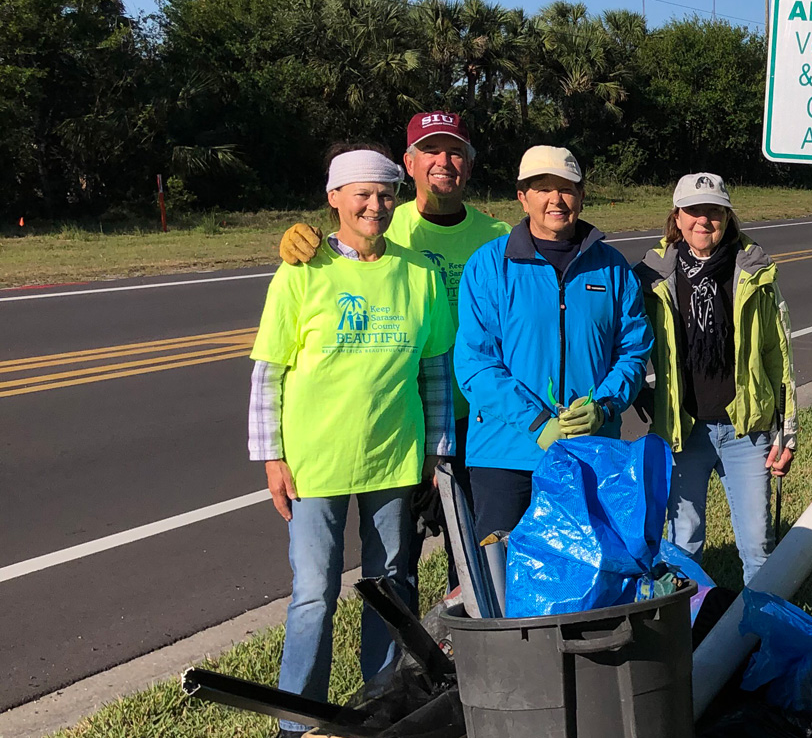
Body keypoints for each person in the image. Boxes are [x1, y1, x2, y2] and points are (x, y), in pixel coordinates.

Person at [247, 145, 456, 738]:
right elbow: (270, 372)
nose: (375, 205)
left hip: (394, 457)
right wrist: (272, 459)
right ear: (334, 198)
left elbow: (434, 368)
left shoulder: (419, 273)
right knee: (314, 591)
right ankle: (298, 721)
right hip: (315, 464)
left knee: (392, 587)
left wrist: (435, 452)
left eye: (385, 194)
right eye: (361, 194)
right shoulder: (302, 270)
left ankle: (379, 706)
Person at [277, 111, 511, 587]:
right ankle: (401, 657)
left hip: (481, 418)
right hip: (405, 425)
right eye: (430, 150)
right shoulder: (385, 224)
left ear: (470, 163)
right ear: (408, 162)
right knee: (395, 559)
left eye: (455, 151)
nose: (443, 161)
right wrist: (301, 239)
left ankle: (461, 650)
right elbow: (338, 253)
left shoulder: (499, 236)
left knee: (472, 554)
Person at [453, 145, 653, 538]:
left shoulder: (611, 267)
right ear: (522, 197)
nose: (555, 199)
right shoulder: (490, 265)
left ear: (581, 196)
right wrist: (537, 421)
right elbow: (476, 363)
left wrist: (605, 406)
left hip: (589, 450)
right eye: (542, 188)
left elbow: (633, 349)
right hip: (505, 453)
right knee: (504, 575)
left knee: (583, 574)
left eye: (566, 188)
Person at [637, 173, 798, 585]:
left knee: (758, 545)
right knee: (683, 543)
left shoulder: (753, 271)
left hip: (746, 430)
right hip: (684, 429)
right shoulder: (652, 275)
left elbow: (777, 354)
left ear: (727, 216)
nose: (703, 221)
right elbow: (627, 342)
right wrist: (638, 392)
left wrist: (787, 431)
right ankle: (687, 636)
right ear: (677, 217)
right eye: (693, 211)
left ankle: (761, 639)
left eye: (713, 211)